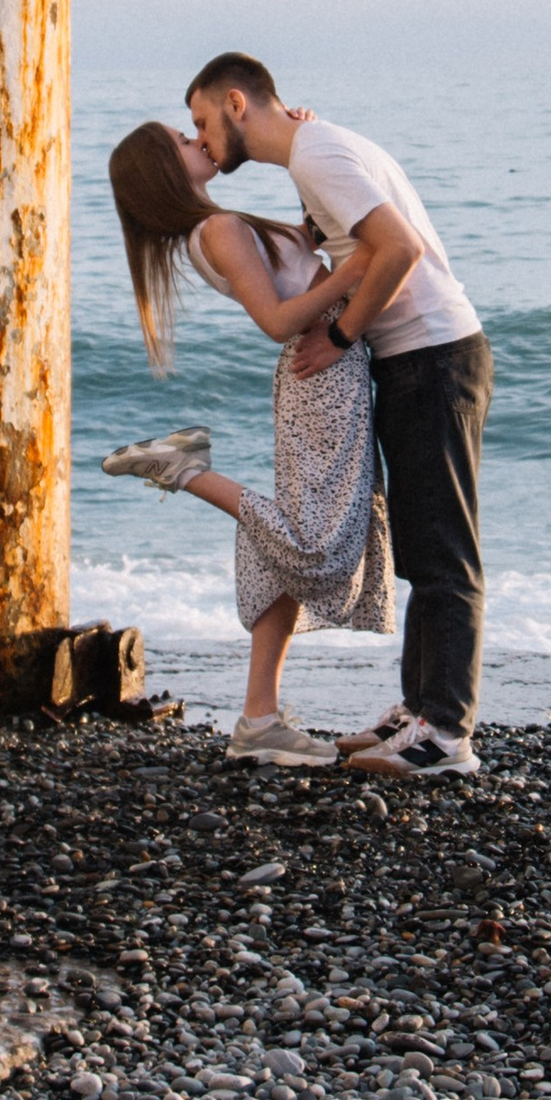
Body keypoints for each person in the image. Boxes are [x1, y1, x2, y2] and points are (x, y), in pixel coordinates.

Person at [183, 53, 492, 779]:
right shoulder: (315, 156)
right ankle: (420, 708)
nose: (201, 137)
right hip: (417, 357)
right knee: (421, 545)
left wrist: (341, 333)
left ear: (236, 103)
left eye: (202, 121)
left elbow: (400, 249)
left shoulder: (317, 154)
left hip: (435, 353)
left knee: (444, 551)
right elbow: (351, 246)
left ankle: (445, 736)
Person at [101, 121, 394, 768]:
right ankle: (182, 468)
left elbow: (298, 265)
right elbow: (279, 319)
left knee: (282, 544)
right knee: (318, 548)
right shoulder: (218, 231)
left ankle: (259, 719)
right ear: (164, 171)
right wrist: (359, 271)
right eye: (183, 137)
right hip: (322, 369)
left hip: (318, 372)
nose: (196, 138)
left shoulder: (217, 227)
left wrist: (305, 149)